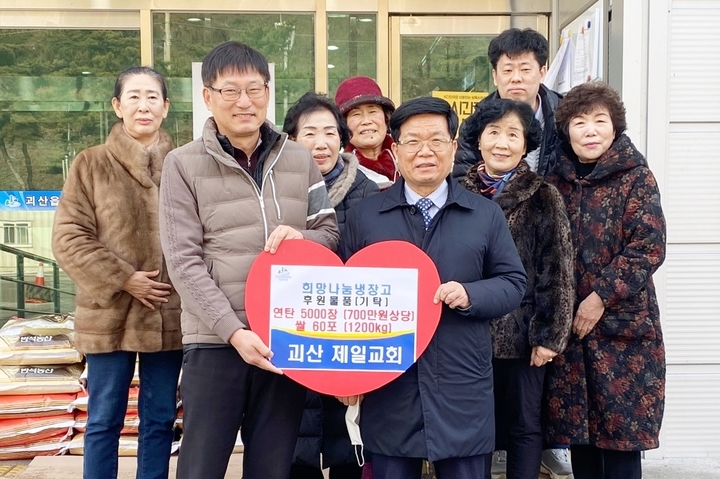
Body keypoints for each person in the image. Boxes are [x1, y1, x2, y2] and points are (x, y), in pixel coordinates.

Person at [158, 41, 340, 479]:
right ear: (208, 96)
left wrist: (304, 236)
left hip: (284, 337)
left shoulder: (300, 159)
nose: (245, 101)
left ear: (268, 92)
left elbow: (330, 234)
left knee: (272, 467)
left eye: (255, 89)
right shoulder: (181, 165)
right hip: (215, 342)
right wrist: (234, 332)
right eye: (230, 91)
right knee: (200, 466)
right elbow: (183, 262)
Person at [338, 96, 528, 479]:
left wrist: (471, 295)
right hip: (390, 386)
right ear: (396, 150)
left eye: (436, 140)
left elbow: (513, 283)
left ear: (454, 148)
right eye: (413, 141)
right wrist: (348, 376)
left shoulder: (484, 214)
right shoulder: (365, 217)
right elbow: (344, 301)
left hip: (462, 384)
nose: (425, 151)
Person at [52, 66, 181, 479]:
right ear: (117, 105)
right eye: (134, 96)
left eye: (152, 97)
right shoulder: (90, 164)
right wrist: (124, 277)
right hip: (109, 313)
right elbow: (69, 238)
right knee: (104, 418)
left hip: (169, 312)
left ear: (165, 107)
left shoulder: (183, 164)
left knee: (160, 418)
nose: (143, 105)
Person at [544, 82, 667, 479]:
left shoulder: (636, 178)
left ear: (615, 127)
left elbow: (647, 247)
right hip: (571, 336)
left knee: (621, 443)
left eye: (600, 121)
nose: (591, 130)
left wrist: (599, 297)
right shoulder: (555, 182)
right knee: (580, 439)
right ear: (567, 131)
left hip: (622, 333)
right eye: (580, 122)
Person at [458, 98, 574, 479]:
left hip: (523, 336)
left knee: (525, 428)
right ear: (479, 140)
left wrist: (548, 336)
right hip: (465, 331)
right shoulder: (457, 192)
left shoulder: (544, 195)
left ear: (526, 145)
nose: (501, 143)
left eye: (512, 134)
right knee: (472, 429)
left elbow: (557, 270)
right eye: (493, 133)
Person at [282, 92, 378, 479]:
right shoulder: (277, 192)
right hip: (294, 329)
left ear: (343, 139)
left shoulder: (370, 193)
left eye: (329, 133)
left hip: (350, 333)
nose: (320, 143)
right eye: (309, 133)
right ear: (290, 140)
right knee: (294, 448)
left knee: (347, 450)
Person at [454, 28, 562, 182]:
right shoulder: (476, 123)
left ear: (542, 73)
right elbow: (463, 182)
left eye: (525, 69)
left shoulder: (565, 118)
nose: (516, 78)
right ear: (495, 76)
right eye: (508, 70)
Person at [334, 76, 398, 187]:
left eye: (372, 111)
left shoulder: (409, 159)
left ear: (386, 118)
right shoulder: (336, 174)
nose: (366, 121)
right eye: (356, 114)